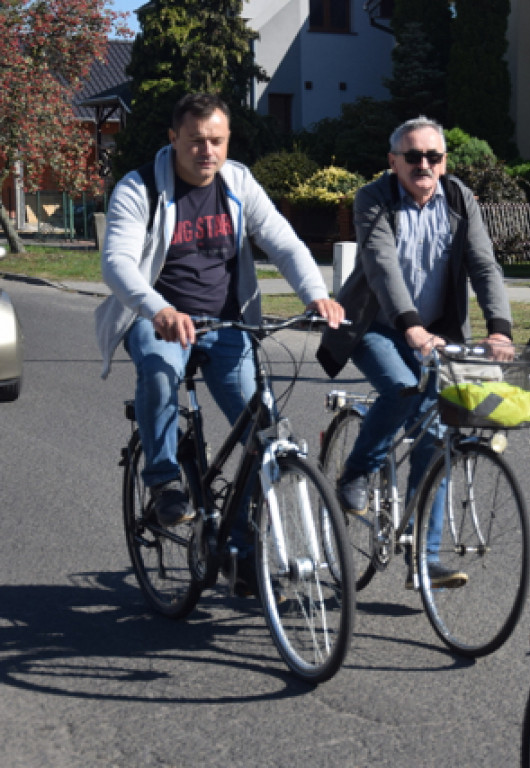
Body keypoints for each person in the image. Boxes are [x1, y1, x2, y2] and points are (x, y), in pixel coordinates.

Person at [96, 93, 344, 592]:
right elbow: (117, 262)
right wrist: (158, 309)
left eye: (217, 141)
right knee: (160, 369)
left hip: (227, 322)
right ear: (174, 139)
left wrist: (317, 294)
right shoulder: (139, 187)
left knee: (264, 434)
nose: (206, 151)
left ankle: (239, 549)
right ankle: (165, 479)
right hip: (160, 316)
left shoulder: (238, 182)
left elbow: (283, 240)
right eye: (195, 141)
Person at [317, 115, 513, 589]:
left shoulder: (459, 199)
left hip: (438, 334)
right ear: (393, 161)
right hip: (373, 326)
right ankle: (355, 474)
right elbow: (381, 265)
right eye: (412, 156)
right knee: (403, 388)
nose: (423, 164)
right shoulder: (374, 198)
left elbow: (484, 264)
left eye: (433, 156)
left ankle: (422, 560)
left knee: (442, 435)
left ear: (444, 162)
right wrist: (412, 328)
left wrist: (500, 330)